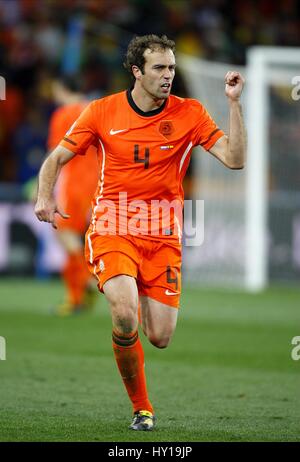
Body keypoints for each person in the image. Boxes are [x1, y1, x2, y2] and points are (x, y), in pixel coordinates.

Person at [35, 34, 246, 430]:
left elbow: (234, 159)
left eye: (171, 68)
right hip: (113, 224)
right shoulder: (101, 111)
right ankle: (142, 408)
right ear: (137, 71)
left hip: (163, 234)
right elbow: (56, 157)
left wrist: (234, 104)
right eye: (159, 68)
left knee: (160, 336)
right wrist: (45, 197)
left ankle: (127, 345)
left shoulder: (191, 113)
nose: (168, 76)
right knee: (124, 310)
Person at [47, 76, 99, 315]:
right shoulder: (95, 109)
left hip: (73, 183)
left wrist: (43, 189)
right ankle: (80, 294)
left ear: (62, 88)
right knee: (87, 238)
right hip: (99, 182)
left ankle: (85, 285)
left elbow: (55, 155)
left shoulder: (63, 114)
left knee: (65, 234)